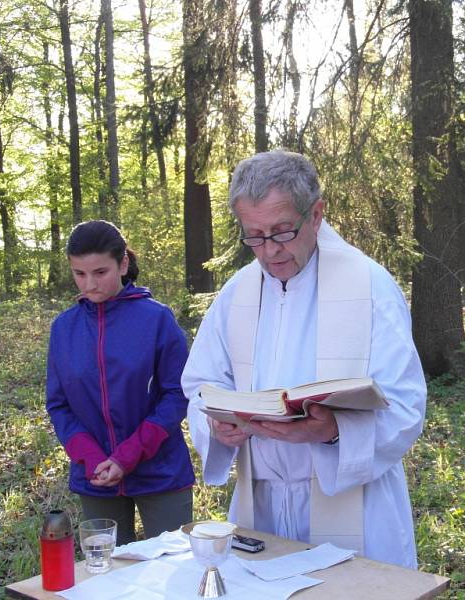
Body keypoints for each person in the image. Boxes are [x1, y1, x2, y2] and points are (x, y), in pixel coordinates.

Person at [181, 150, 426, 568]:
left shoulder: (369, 287)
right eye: (254, 235)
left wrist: (332, 432)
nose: (269, 251)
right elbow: (200, 386)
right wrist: (218, 428)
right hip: (263, 510)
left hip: (354, 508)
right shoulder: (236, 294)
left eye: (281, 232)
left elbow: (405, 408)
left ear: (315, 215)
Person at [46, 220, 194, 545]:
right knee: (108, 573)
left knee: (174, 570)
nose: (90, 284)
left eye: (100, 272)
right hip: (96, 477)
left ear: (123, 263)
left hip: (161, 473)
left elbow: (176, 395)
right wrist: (92, 457)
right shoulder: (64, 329)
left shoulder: (157, 319)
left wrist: (127, 456)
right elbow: (59, 405)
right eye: (79, 274)